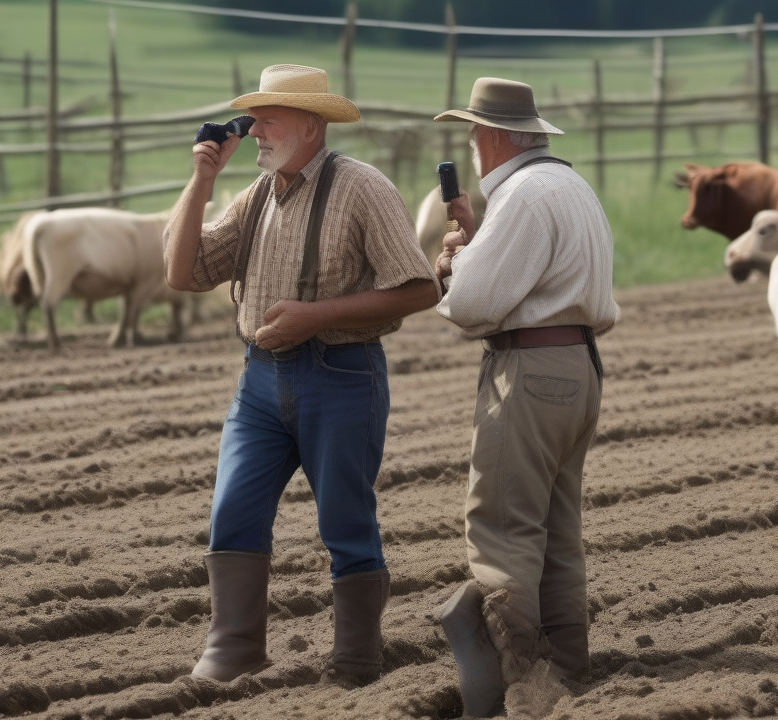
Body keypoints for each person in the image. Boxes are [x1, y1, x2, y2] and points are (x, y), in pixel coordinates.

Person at [163, 64, 439, 686]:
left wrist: (316, 317)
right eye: (254, 117)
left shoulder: (363, 188)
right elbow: (182, 273)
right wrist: (202, 177)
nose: (254, 129)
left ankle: (357, 663)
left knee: (344, 520)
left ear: (310, 126)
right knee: (232, 510)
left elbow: (419, 287)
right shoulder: (256, 196)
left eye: (269, 117)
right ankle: (234, 650)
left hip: (340, 374)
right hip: (259, 379)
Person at [430, 77, 619, 716]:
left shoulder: (521, 194)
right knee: (559, 529)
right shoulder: (572, 185)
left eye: (474, 136)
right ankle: (566, 668)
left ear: (490, 137)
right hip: (580, 365)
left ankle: (516, 681)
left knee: (504, 526)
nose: (474, 151)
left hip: (529, 369)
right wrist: (480, 244)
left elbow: (475, 304)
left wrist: (454, 267)